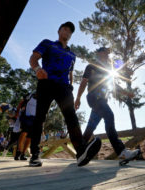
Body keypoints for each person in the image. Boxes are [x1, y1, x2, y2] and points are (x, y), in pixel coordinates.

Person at [29, 21, 101, 167]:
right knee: (40, 117)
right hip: (47, 83)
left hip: (64, 88)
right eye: (65, 29)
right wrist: (37, 70)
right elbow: (33, 58)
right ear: (59, 31)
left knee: (71, 117)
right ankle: (35, 155)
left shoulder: (72, 54)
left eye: (70, 31)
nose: (67, 32)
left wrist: (71, 85)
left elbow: (70, 72)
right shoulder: (48, 44)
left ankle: (80, 152)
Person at [75, 47, 140, 166]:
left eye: (108, 54)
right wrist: (78, 97)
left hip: (102, 101)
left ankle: (80, 153)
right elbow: (84, 82)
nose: (107, 56)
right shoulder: (91, 67)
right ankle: (121, 151)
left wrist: (127, 93)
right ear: (98, 53)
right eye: (105, 53)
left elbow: (114, 85)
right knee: (109, 116)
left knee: (90, 127)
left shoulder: (108, 70)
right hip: (94, 97)